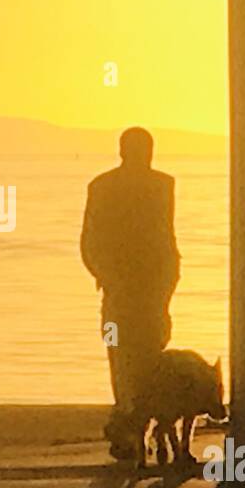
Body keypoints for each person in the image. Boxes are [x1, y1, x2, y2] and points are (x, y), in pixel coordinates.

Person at [80, 127, 180, 458]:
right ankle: (133, 424)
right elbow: (165, 238)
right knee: (141, 354)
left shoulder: (111, 186)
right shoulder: (160, 185)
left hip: (134, 287)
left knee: (127, 355)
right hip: (139, 286)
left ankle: (131, 422)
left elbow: (90, 241)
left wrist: (104, 273)